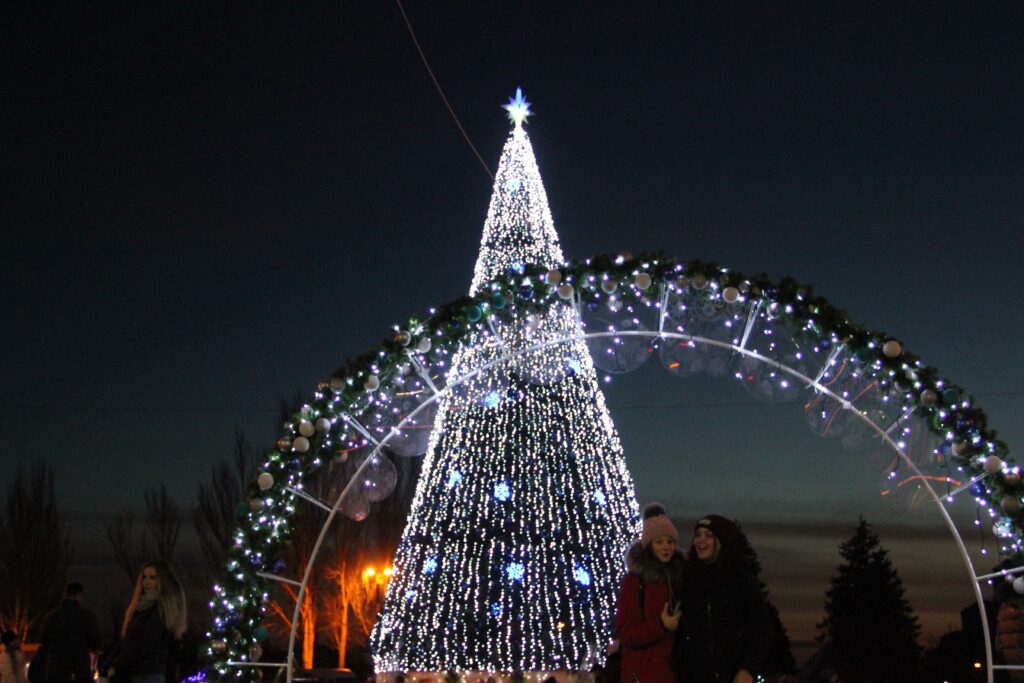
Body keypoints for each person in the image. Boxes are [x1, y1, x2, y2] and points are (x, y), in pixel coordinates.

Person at [678, 515, 771, 683]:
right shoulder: (688, 580)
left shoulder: (742, 580)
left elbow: (760, 630)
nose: (700, 541)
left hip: (735, 676)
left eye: (708, 535)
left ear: (721, 541)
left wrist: (747, 669)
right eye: (697, 535)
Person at [614, 502, 684, 682]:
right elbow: (627, 633)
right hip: (642, 674)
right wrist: (661, 626)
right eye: (659, 542)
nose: (666, 547)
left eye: (670, 542)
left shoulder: (678, 578)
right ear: (648, 545)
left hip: (671, 673)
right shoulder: (635, 581)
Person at [104, 560, 187, 683]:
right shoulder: (143, 607)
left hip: (147, 672)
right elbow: (128, 641)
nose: (146, 581)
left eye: (153, 578)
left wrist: (116, 666)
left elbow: (144, 642)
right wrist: (108, 666)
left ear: (162, 580)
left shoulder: (160, 608)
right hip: (138, 671)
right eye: (144, 577)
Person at [38, 582, 102, 683]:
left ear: (65, 594)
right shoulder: (87, 616)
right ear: (79, 595)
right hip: (80, 669)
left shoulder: (51, 617)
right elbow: (95, 642)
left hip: (57, 670)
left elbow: (44, 642)